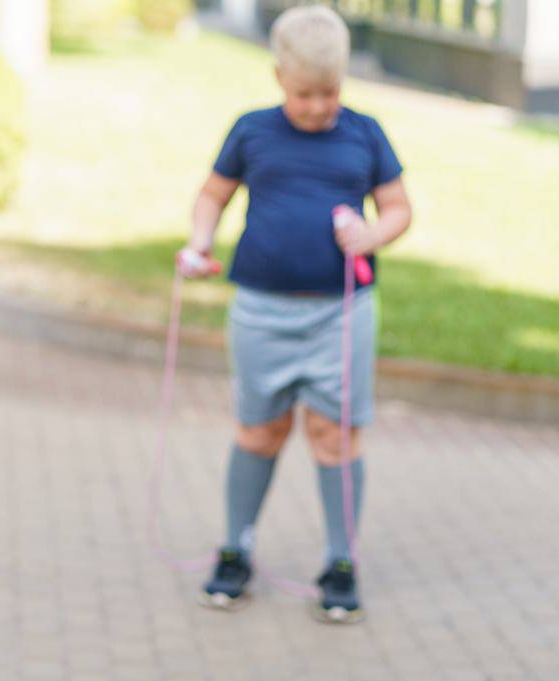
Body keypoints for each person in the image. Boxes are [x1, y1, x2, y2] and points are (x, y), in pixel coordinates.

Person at [181, 6, 412, 623]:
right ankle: (236, 550)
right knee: (261, 430)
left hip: (341, 315)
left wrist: (373, 233)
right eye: (306, 93)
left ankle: (341, 561)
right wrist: (200, 242)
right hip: (261, 311)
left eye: (330, 93)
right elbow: (213, 195)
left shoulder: (364, 133)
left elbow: (397, 208)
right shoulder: (252, 130)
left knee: (334, 436)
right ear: (279, 76)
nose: (318, 106)